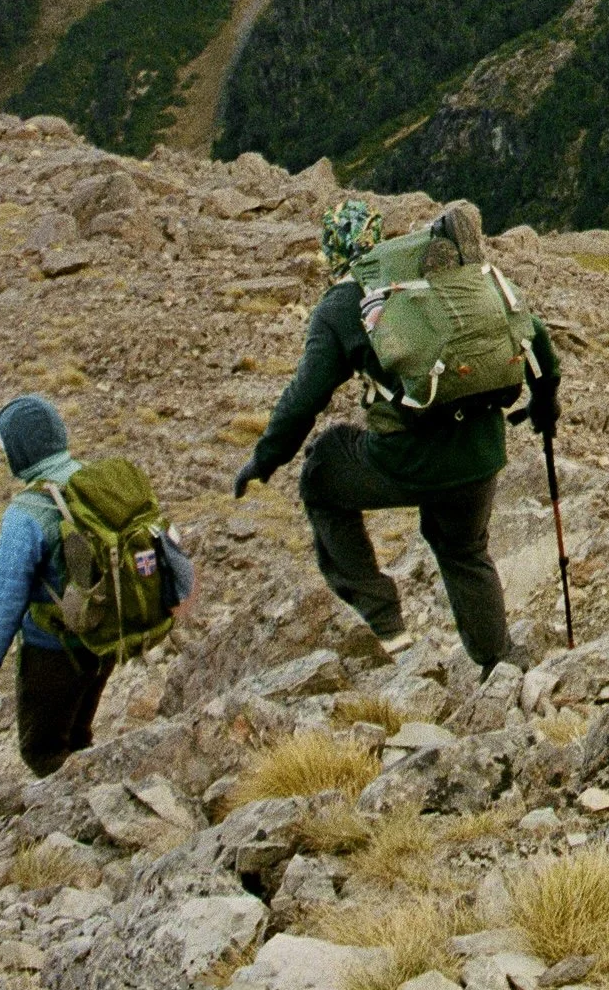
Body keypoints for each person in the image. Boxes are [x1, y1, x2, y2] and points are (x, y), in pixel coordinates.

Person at [234, 198, 559, 671]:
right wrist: (545, 403)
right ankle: (499, 664)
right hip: (481, 454)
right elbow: (535, 335)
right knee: (464, 550)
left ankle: (383, 619)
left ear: (331, 254)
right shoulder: (443, 280)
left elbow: (305, 398)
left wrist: (264, 460)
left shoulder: (346, 304)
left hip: (410, 458)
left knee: (322, 472)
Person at [0, 394, 193, 776]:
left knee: (43, 750)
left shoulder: (27, 513)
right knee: (77, 736)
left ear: (16, 451)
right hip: (107, 638)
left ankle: (82, 819)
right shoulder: (97, 485)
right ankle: (95, 792)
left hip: (53, 650)